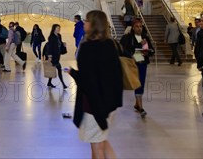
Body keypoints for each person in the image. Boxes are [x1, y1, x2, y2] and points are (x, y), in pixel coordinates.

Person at [66, 10, 123, 159]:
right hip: (108, 103)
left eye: (86, 21)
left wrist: (73, 73)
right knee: (100, 141)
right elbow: (116, 76)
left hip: (93, 105)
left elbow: (87, 80)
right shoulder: (111, 45)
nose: (84, 23)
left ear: (93, 24)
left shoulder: (87, 48)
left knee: (97, 147)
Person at [120, 18, 153, 118]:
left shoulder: (144, 37)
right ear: (133, 28)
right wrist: (132, 54)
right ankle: (141, 107)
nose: (139, 28)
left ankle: (137, 104)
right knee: (137, 83)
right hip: (133, 63)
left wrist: (147, 49)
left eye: (140, 26)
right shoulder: (128, 37)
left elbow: (152, 50)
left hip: (142, 63)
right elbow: (122, 49)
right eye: (137, 27)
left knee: (140, 83)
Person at [45, 24, 68, 89]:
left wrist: (63, 44)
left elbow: (59, 43)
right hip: (53, 56)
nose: (59, 29)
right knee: (59, 69)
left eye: (59, 28)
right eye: (57, 28)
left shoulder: (59, 36)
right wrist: (49, 56)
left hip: (57, 55)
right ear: (54, 28)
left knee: (52, 70)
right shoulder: (51, 37)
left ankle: (49, 82)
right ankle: (63, 84)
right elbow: (50, 47)